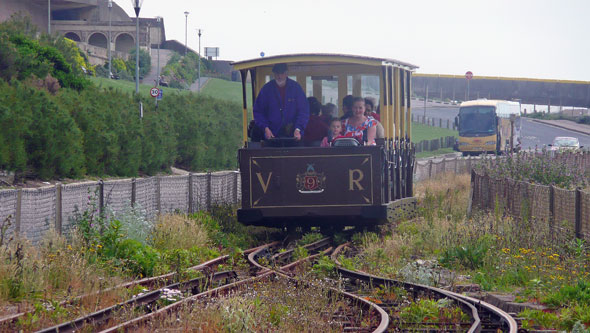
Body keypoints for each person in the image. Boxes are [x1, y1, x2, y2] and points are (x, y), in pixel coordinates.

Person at [253, 63, 309, 141]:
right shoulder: (266, 89)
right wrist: (265, 128)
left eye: (282, 73)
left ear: (286, 74)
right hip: (271, 136)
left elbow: (304, 111)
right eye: (277, 73)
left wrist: (298, 129)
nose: (279, 76)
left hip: (292, 136)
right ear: (274, 74)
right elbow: (258, 112)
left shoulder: (296, 88)